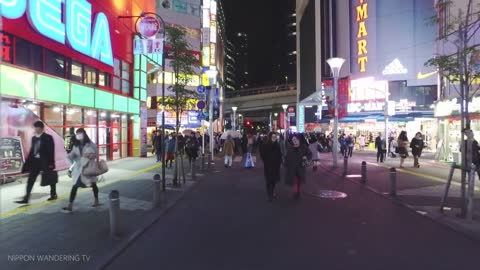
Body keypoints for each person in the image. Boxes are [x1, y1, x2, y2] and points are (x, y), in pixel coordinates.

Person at [16, 121, 57, 204]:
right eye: (35, 127)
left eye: (37, 127)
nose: (35, 129)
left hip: (45, 161)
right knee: (31, 179)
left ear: (41, 128)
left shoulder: (48, 137)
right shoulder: (34, 138)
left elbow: (51, 151)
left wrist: (51, 163)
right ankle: (26, 198)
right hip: (35, 162)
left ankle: (53, 194)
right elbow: (32, 150)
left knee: (49, 177)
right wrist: (27, 162)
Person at [62, 128, 99, 212]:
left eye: (80, 134)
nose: (79, 136)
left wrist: (89, 156)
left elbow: (96, 154)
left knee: (93, 184)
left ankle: (96, 200)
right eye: (77, 134)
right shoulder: (76, 145)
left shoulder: (91, 144)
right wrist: (70, 159)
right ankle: (70, 205)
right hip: (79, 169)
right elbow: (72, 154)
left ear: (84, 134)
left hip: (89, 167)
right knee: (75, 186)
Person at [284, 135, 312, 200]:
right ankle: (296, 192)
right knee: (295, 181)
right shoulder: (290, 148)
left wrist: (306, 157)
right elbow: (287, 158)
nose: (295, 141)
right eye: (293, 140)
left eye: (296, 140)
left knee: (299, 181)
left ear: (299, 140)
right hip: (292, 167)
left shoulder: (304, 147)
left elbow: (310, 154)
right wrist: (286, 164)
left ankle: (298, 191)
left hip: (300, 167)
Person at [260, 132, 283, 201]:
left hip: (275, 166)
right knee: (268, 180)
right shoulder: (265, 145)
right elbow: (262, 154)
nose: (274, 138)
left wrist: (279, 162)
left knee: (274, 181)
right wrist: (266, 161)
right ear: (270, 137)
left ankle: (272, 191)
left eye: (275, 137)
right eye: (273, 137)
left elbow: (280, 155)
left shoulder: (277, 145)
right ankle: (269, 194)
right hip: (268, 166)